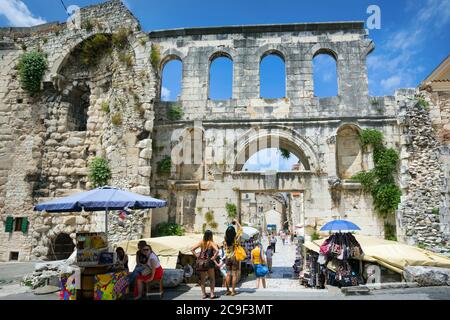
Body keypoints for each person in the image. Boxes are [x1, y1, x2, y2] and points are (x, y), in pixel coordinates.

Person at [191, 230, 219, 299]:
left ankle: (204, 294)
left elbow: (192, 249)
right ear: (211, 236)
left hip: (202, 262)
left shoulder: (201, 242)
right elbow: (217, 250)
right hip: (209, 262)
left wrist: (197, 256)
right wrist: (214, 257)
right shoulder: (211, 242)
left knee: (203, 279)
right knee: (212, 278)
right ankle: (212, 294)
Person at [224, 219, 242, 296]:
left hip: (227, 257)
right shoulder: (235, 237)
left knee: (228, 274)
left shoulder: (225, 238)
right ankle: (233, 291)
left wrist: (229, 226)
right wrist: (236, 222)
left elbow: (228, 231)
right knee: (234, 274)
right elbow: (241, 229)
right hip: (234, 257)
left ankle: (228, 290)